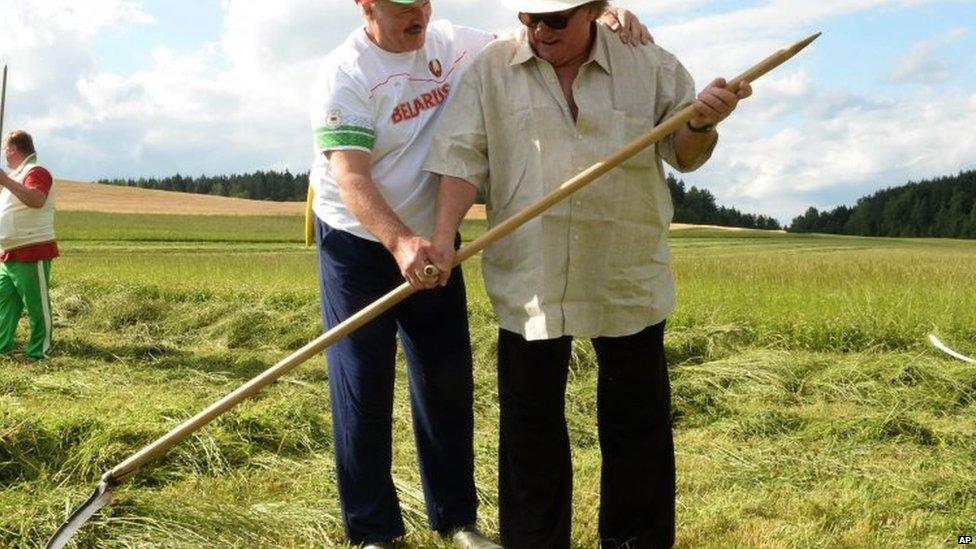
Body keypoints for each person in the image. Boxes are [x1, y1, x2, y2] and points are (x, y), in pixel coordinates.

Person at [308, 1, 651, 547]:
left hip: (437, 240)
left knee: (446, 378)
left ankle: (456, 518)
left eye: (422, 2)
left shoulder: (457, 44)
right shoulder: (345, 73)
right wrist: (398, 242)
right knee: (362, 381)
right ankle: (373, 529)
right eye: (401, 7)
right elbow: (350, 174)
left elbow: (539, 37)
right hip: (359, 239)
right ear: (367, 6)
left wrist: (603, 19)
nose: (417, 16)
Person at [422, 0, 752, 546]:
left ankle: (634, 540)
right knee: (530, 427)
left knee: (636, 421)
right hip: (531, 272)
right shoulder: (491, 70)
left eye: (556, 20)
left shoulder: (649, 64)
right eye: (531, 19)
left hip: (624, 267)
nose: (540, 32)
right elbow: (460, 160)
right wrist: (441, 237)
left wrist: (700, 122)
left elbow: (686, 156)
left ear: (596, 10)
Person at [0, 130, 58, 362]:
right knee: (4, 304)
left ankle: (38, 353)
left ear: (14, 148)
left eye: (5, 149)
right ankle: (2, 347)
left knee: (36, 306)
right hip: (9, 253)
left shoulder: (36, 171)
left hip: (31, 248)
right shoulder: (16, 174)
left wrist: (5, 181)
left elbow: (37, 199)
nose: (4, 154)